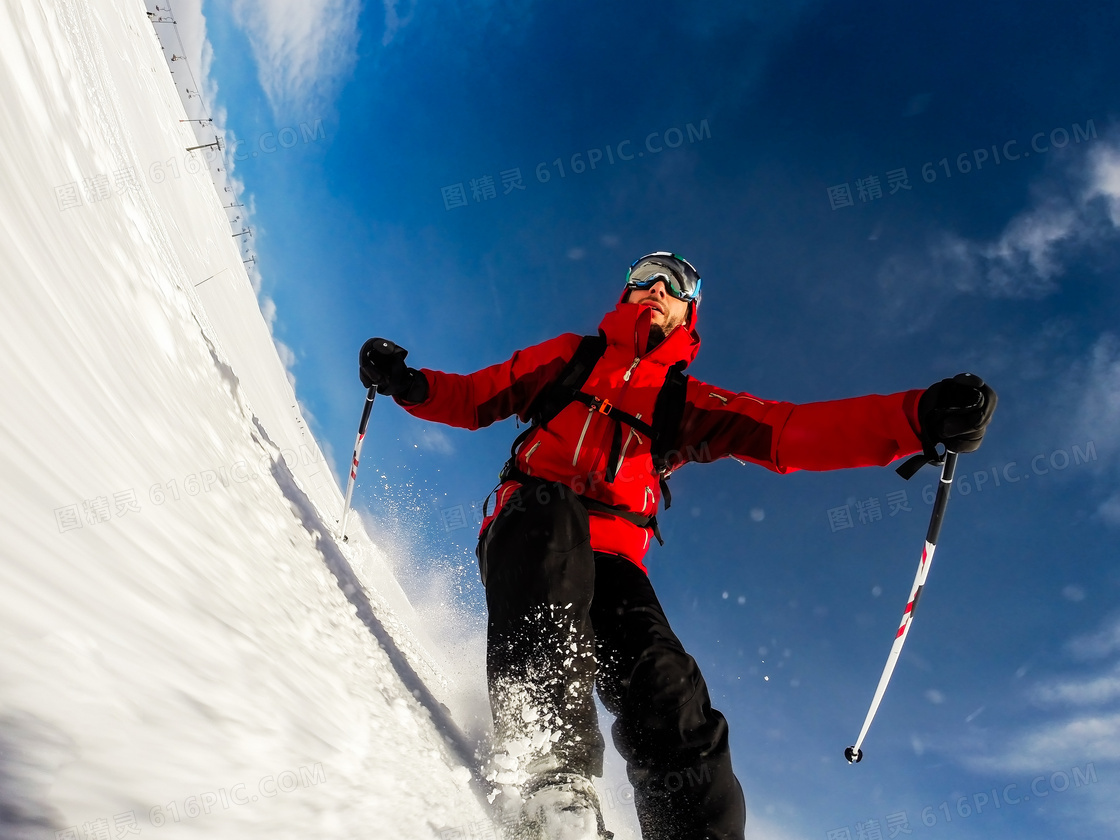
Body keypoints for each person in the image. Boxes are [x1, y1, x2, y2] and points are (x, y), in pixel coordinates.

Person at [358, 253, 996, 840]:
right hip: (530, 524)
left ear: (690, 311)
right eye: (644, 276)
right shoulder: (569, 358)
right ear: (626, 293)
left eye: (677, 283)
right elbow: (473, 397)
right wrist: (407, 382)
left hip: (613, 559)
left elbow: (788, 430)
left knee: (664, 680)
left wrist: (915, 418)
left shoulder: (683, 402)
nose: (658, 286)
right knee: (550, 519)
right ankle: (549, 775)